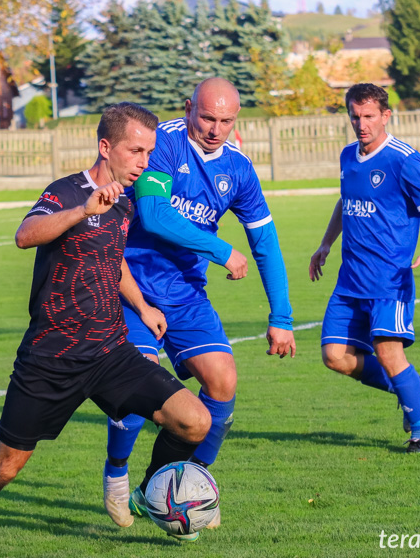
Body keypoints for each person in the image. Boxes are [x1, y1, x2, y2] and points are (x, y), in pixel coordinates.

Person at [0, 103, 211, 556]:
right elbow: (25, 235)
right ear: (106, 147)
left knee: (194, 420)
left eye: (150, 151)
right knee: (2, 469)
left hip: (110, 352)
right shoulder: (66, 191)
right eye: (136, 151)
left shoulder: (126, 200)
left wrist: (142, 306)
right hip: (50, 358)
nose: (145, 161)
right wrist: (82, 210)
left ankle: (147, 495)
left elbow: (112, 257)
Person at [102, 78, 296, 529]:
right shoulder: (162, 144)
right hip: (132, 286)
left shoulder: (239, 170)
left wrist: (281, 316)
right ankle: (115, 473)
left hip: (186, 292)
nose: (215, 128)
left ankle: (179, 486)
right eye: (207, 117)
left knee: (223, 383)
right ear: (190, 107)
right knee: (137, 388)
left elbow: (265, 242)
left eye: (226, 120)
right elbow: (152, 213)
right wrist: (219, 249)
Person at [308, 83, 420, 454]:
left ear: (386, 116)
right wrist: (326, 243)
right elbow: (346, 201)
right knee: (334, 357)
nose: (361, 123)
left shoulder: (403, 159)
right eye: (355, 116)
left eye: (369, 116)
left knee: (388, 352)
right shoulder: (347, 156)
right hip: (350, 281)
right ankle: (409, 386)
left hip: (390, 280)